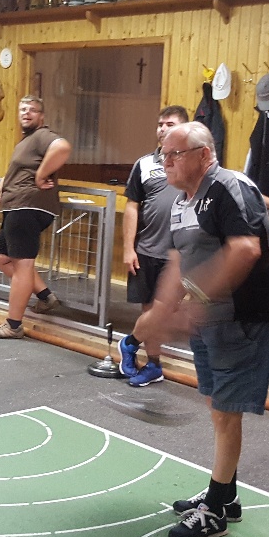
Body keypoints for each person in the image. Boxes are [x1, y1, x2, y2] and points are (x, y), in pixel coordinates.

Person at [131, 121, 269, 537]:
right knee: (217, 406)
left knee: (225, 410)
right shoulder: (181, 202)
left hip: (244, 317)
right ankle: (226, 494)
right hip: (211, 317)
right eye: (162, 155)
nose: (165, 163)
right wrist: (159, 314)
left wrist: (196, 300)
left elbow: (245, 249)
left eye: (174, 154)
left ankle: (215, 510)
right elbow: (178, 264)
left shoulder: (229, 187)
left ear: (203, 154)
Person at [0, 96, 72, 339]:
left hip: (27, 207)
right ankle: (45, 297)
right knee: (1, 257)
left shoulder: (42, 135)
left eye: (32, 110)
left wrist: (41, 175)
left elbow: (62, 147)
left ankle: (13, 325)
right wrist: (5, 179)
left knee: (23, 266)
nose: (26, 113)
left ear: (41, 116)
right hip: (16, 207)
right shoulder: (27, 140)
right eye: (23, 109)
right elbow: (23, 166)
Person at [116, 105, 189, 388]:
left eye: (170, 124)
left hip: (180, 255)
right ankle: (154, 365)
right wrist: (128, 248)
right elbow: (132, 206)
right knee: (149, 310)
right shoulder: (144, 164)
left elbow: (229, 187)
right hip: (147, 250)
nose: (162, 129)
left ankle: (130, 343)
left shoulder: (195, 163)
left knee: (164, 310)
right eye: (160, 124)